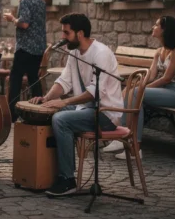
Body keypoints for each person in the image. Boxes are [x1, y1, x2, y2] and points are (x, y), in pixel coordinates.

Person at [29, 14, 124, 196]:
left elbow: (94, 92)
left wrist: (64, 102)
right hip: (85, 109)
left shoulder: (101, 54)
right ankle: (47, 173)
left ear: (80, 34)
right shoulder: (74, 52)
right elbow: (64, 82)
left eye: (66, 33)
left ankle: (67, 179)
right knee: (48, 112)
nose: (63, 37)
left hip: (105, 113)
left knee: (61, 119)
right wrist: (46, 99)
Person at [108, 16, 175, 160]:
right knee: (129, 92)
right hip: (164, 91)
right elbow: (151, 75)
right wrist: (134, 86)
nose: (153, 27)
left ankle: (135, 148)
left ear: (165, 30)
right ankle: (122, 138)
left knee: (136, 94)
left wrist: (141, 90)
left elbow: (167, 78)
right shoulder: (159, 51)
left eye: (156, 25)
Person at [2, 0, 47, 122]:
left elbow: (24, 23)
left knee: (15, 78)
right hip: (39, 46)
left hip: (25, 47)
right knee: (34, 78)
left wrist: (12, 19)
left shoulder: (25, 1)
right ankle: (38, 111)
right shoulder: (41, 1)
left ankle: (13, 113)